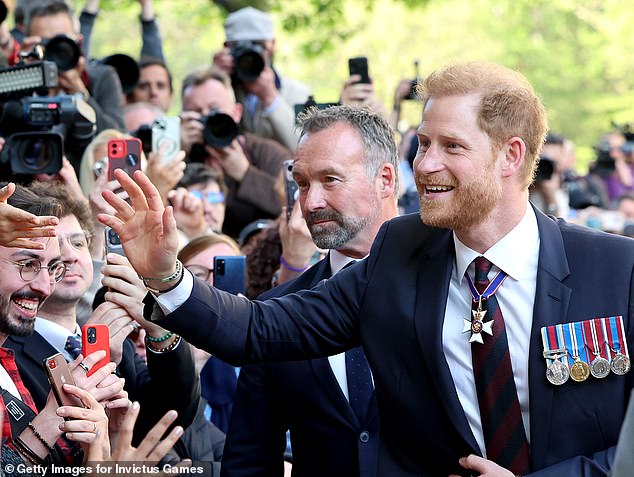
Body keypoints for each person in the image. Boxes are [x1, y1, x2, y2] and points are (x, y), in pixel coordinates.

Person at [100, 61, 634, 476]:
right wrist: (167, 274)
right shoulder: (400, 253)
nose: (423, 165)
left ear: (510, 156)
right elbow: (262, 330)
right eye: (422, 144)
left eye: (451, 147)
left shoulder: (615, 270)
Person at [222, 105, 399, 477]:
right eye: (302, 183)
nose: (311, 202)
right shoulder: (276, 310)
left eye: (330, 179)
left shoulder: (450, 284)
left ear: (385, 179)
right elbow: (249, 459)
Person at [0, 183, 125, 467]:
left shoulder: (6, 360)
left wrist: (103, 447)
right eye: (28, 264)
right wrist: (56, 415)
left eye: (54, 268)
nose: (45, 286)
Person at [179, 66, 289, 238]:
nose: (207, 119)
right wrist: (178, 151)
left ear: (236, 113)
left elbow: (294, 206)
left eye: (215, 110)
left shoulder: (266, 152)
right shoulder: (177, 156)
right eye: (196, 112)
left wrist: (246, 174)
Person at [212, 6, 311, 152]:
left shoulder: (297, 92)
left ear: (272, 45)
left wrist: (271, 98)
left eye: (257, 45)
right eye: (239, 47)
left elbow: (305, 148)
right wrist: (215, 80)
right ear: (226, 48)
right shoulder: (221, 87)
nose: (249, 55)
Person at [26, 1, 126, 134]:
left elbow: (116, 138)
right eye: (45, 44)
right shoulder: (16, 85)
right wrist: (26, 78)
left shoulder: (102, 78)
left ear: (78, 43)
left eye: (61, 43)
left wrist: (80, 94)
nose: (54, 52)